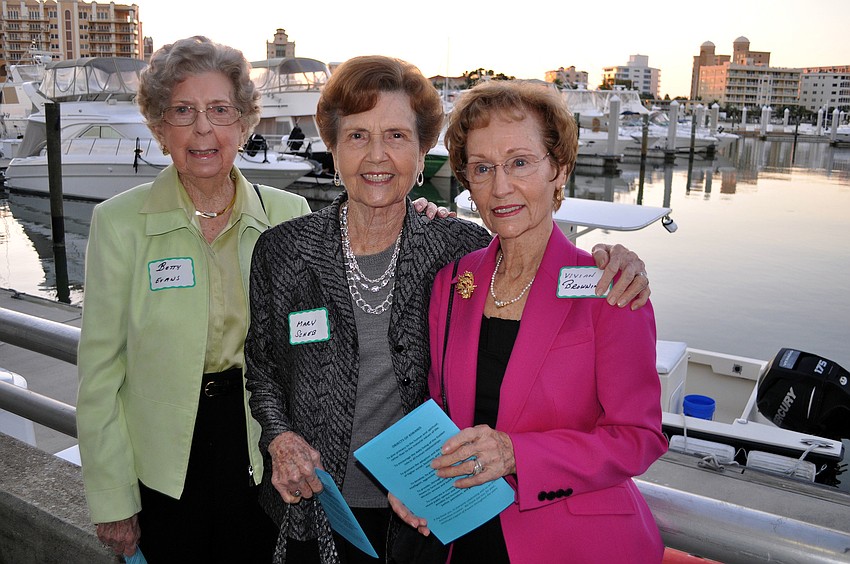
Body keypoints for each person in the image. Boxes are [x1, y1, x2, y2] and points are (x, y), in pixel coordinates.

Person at [244, 55, 652, 564]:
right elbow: (261, 364)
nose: (376, 156)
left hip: (432, 520)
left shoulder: (453, 249)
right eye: (356, 136)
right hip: (321, 505)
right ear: (332, 147)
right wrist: (279, 438)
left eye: (396, 136)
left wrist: (620, 259)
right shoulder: (287, 252)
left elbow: (633, 429)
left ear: (421, 156)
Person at [76, 38, 448, 563]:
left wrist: (426, 216)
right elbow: (98, 375)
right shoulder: (118, 224)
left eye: (220, 110)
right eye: (183, 111)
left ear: (244, 123)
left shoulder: (287, 214)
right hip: (162, 455)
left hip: (263, 447)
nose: (203, 128)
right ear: (160, 127)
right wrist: (112, 498)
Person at [391, 80, 667, 563]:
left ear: (558, 169)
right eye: (481, 169)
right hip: (463, 534)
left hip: (571, 543)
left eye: (520, 162)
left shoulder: (609, 286)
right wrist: (417, 480)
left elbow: (638, 438)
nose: (500, 187)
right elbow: (441, 409)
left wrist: (518, 453)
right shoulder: (453, 282)